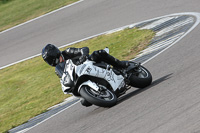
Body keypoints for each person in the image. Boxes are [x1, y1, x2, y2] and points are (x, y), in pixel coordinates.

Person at [42, 44, 129, 106]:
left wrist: (83, 55)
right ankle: (101, 92)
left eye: (53, 60)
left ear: (56, 53)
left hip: (89, 64)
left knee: (98, 53)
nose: (54, 62)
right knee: (84, 102)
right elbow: (63, 78)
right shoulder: (58, 69)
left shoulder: (67, 52)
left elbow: (84, 49)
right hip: (80, 77)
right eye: (50, 62)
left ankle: (121, 65)